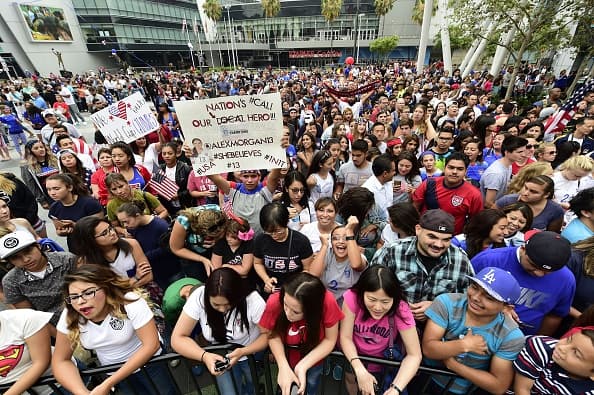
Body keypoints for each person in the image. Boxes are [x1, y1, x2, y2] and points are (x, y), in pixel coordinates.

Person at [52, 264, 174, 395]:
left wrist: (108, 383)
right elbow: (60, 361)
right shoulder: (70, 314)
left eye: (88, 293)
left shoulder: (129, 301)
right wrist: (82, 392)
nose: (80, 301)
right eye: (74, 297)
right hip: (113, 370)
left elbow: (151, 345)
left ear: (106, 289)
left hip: (150, 363)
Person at [422, 267, 525, 394]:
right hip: (425, 378)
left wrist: (454, 366)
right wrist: (463, 345)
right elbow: (428, 349)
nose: (476, 297)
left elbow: (498, 386)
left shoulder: (511, 336)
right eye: (475, 287)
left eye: (489, 297)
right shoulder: (446, 302)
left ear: (506, 308)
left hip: (465, 391)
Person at [171, 268, 268, 395]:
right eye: (216, 305)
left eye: (228, 304)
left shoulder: (252, 300)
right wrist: (204, 356)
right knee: (229, 392)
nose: (222, 310)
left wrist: (244, 351)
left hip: (251, 350)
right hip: (219, 354)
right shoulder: (199, 296)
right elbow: (177, 338)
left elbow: (268, 334)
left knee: (252, 381)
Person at [370, 209, 474, 322]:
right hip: (392, 323)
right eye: (432, 237)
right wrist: (398, 306)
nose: (439, 245)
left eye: (446, 240)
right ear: (418, 230)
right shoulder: (391, 253)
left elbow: (468, 300)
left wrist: (438, 307)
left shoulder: (461, 261)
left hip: (439, 330)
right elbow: (370, 288)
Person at [471, 231, 574, 336]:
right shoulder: (489, 260)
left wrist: (534, 343)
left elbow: (555, 315)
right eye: (533, 265)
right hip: (475, 332)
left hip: (521, 341)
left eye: (546, 272)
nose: (538, 274)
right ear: (523, 248)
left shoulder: (566, 279)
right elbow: (461, 294)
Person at [340, 265, 422, 395]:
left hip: (381, 363)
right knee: (351, 379)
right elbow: (345, 337)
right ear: (362, 293)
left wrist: (395, 389)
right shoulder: (352, 298)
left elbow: (414, 355)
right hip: (353, 355)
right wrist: (359, 368)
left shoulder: (401, 308)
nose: (378, 307)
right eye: (372, 299)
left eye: (385, 302)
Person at [259, 272, 344, 395]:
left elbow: (330, 339)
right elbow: (271, 334)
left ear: (312, 309)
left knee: (311, 383)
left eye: (296, 311)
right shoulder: (274, 301)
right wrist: (283, 366)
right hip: (286, 357)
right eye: (285, 305)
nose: (288, 313)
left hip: (315, 358)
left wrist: (302, 366)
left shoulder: (327, 302)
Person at [0, 230, 77, 335]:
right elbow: (32, 317)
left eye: (28, 251)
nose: (26, 259)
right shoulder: (11, 282)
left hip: (81, 313)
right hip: (51, 328)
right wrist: (62, 338)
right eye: (16, 257)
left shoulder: (67, 260)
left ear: (38, 246)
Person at [412, 153, 484, 235]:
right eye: (451, 167)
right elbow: (414, 209)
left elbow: (475, 222)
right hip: (424, 234)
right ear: (444, 168)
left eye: (460, 169)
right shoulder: (429, 183)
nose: (454, 172)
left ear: (466, 171)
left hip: (451, 239)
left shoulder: (474, 194)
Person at [116, 201, 181, 290]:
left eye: (126, 222)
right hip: (154, 274)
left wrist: (144, 256)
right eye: (122, 223)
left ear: (137, 215)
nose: (125, 225)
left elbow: (170, 247)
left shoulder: (160, 226)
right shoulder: (133, 228)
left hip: (171, 271)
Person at [513, 324, 594, 394]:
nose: (562, 347)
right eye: (569, 339)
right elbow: (522, 389)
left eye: (576, 353)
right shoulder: (540, 347)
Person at [253, 202, 314, 294]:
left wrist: (295, 286)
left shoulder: (301, 241)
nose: (273, 235)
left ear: (286, 223)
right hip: (270, 290)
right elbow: (258, 263)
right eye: (269, 232)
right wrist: (266, 279)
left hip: (294, 290)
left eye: (278, 231)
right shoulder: (261, 240)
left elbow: (307, 268)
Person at [309, 216, 367, 304]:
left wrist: (350, 231)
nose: (341, 241)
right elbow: (313, 274)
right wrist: (324, 245)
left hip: (350, 305)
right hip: (327, 302)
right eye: (335, 238)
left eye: (345, 238)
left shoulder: (358, 256)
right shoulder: (328, 252)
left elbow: (356, 265)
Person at [208, 168, 281, 235]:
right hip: (238, 240)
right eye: (246, 176)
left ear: (259, 177)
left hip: (261, 239)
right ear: (240, 177)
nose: (249, 180)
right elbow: (215, 178)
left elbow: (274, 176)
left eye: (253, 176)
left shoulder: (265, 188)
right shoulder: (233, 188)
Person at [169, 204, 228, 281]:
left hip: (217, 249)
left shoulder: (219, 211)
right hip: (192, 255)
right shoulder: (183, 221)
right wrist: (203, 259)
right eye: (210, 236)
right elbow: (176, 249)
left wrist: (218, 240)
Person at [47, 174, 103, 251]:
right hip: (76, 246)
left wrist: (76, 226)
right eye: (49, 189)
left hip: (96, 244)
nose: (52, 193)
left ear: (70, 187)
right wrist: (62, 232)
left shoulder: (90, 203)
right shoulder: (54, 208)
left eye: (56, 189)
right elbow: (58, 230)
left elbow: (101, 227)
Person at [496, 175, 564, 232]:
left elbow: (551, 236)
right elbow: (490, 221)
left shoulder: (555, 210)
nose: (525, 193)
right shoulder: (507, 201)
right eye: (525, 188)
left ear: (546, 195)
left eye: (533, 192)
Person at [480, 135, 529, 208]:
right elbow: (488, 203)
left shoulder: (508, 165)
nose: (524, 155)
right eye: (519, 152)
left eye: (524, 151)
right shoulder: (496, 173)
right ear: (507, 152)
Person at [211, 215, 256, 281]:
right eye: (227, 235)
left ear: (241, 238)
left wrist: (226, 266)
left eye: (233, 237)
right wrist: (239, 269)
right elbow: (216, 270)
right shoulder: (220, 243)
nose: (228, 239)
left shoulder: (248, 243)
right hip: (224, 279)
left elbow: (245, 271)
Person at [21, 140, 60, 210]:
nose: (40, 149)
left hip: (64, 192)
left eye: (42, 147)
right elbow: (31, 185)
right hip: (49, 197)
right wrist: (42, 201)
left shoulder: (55, 159)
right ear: (30, 151)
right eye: (36, 148)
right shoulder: (27, 167)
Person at [158, 141, 192, 215]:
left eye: (170, 153)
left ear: (176, 154)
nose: (167, 156)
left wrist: (179, 195)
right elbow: (158, 189)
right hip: (168, 207)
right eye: (164, 154)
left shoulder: (185, 168)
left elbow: (191, 190)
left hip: (185, 206)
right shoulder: (160, 169)